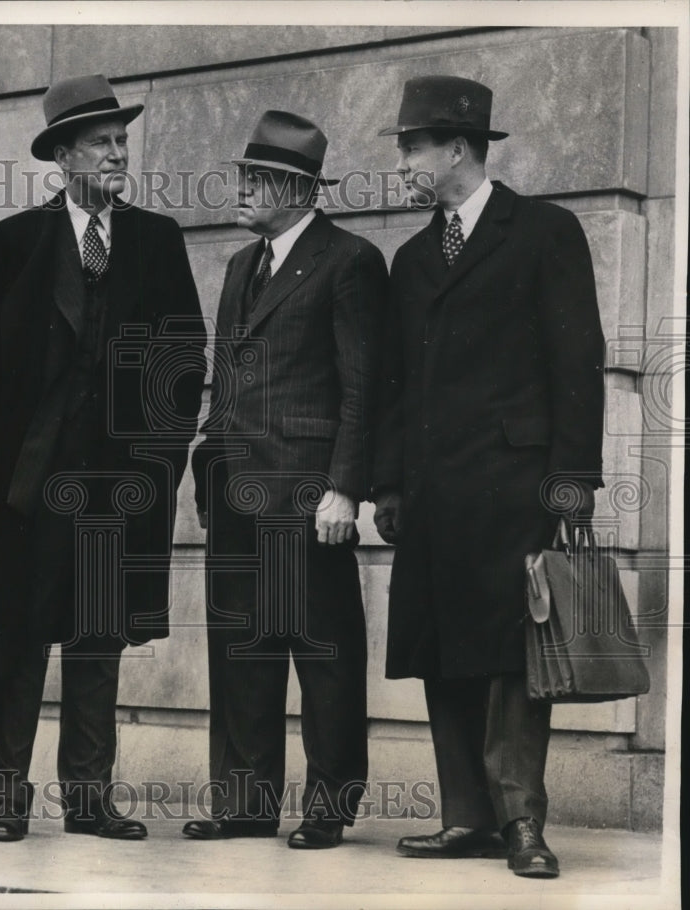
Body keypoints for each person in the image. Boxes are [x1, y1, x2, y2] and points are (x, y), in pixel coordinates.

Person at [372, 75, 604, 878]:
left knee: (513, 658)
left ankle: (520, 823)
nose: (402, 162)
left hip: (517, 486)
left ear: (459, 149)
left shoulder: (543, 232)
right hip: (435, 491)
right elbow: (396, 384)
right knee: (442, 649)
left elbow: (578, 364)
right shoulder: (410, 258)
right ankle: (466, 816)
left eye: (412, 146)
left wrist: (573, 484)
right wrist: (388, 486)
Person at [0, 73, 206, 841]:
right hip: (31, 483)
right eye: (100, 142)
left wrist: (162, 463)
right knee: (20, 642)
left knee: (99, 642)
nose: (116, 153)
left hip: (120, 483)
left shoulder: (156, 239)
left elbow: (184, 359)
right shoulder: (12, 244)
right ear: (63, 155)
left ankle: (89, 798)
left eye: (121, 140)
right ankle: (6, 800)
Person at [186, 111, 387, 849]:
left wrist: (345, 488)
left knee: (323, 651)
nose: (238, 191)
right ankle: (244, 803)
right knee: (241, 648)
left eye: (252, 181)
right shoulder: (243, 265)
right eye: (241, 177)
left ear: (296, 189)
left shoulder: (349, 261)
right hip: (236, 487)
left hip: (307, 494)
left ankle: (329, 806)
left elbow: (363, 386)